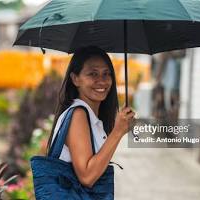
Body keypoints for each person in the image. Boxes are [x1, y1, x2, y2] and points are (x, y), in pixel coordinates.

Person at [46, 46, 135, 190]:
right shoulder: (78, 115)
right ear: (75, 79)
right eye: (93, 74)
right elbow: (87, 177)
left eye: (107, 74)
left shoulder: (90, 116)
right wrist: (118, 131)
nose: (102, 81)